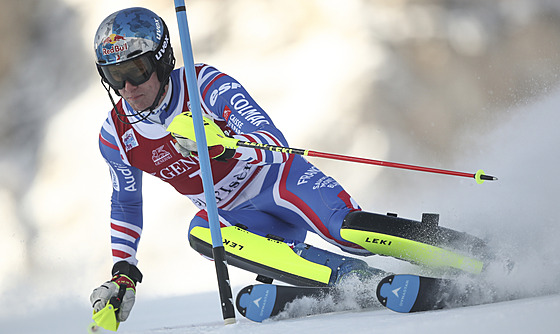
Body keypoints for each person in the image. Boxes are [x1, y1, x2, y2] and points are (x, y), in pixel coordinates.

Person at [90, 7, 388, 323]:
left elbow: (274, 142)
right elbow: (125, 204)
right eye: (115, 76)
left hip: (280, 183)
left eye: (136, 70)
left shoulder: (202, 83)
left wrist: (223, 147)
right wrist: (124, 272)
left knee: (348, 232)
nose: (127, 87)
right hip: (244, 222)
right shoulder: (116, 136)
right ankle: (347, 277)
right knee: (201, 231)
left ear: (161, 60)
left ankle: (437, 244)